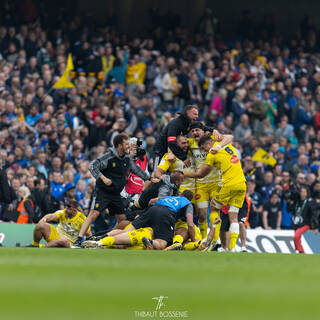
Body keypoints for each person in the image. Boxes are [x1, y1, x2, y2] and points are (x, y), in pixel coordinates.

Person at [72, 133, 151, 248]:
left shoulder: (127, 159)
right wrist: (103, 178)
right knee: (93, 214)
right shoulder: (108, 156)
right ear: (119, 146)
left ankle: (107, 239)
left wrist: (150, 178)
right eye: (126, 144)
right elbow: (92, 166)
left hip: (115, 194)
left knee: (122, 220)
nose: (129, 146)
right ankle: (78, 240)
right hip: (102, 192)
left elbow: (137, 170)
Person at [185, 135, 246, 252]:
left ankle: (215, 240)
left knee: (213, 208)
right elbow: (230, 136)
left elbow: (201, 174)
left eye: (203, 148)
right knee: (234, 217)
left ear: (208, 144)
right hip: (242, 183)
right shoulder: (227, 145)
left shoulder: (211, 154)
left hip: (228, 184)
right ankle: (232, 248)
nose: (204, 151)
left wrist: (184, 174)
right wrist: (218, 145)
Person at [83, 190, 195, 250]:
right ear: (189, 199)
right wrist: (194, 239)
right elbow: (190, 224)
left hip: (152, 210)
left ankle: (101, 238)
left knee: (125, 231)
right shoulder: (188, 203)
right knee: (162, 243)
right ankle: (150, 242)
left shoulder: (169, 197)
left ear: (180, 194)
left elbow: (151, 201)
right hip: (166, 214)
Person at [188, 121, 233, 239]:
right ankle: (203, 241)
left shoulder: (212, 138)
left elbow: (229, 137)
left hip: (215, 183)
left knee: (215, 212)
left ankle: (215, 240)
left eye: (197, 130)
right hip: (201, 185)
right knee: (202, 214)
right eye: (192, 131)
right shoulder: (190, 143)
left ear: (203, 131)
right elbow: (174, 145)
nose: (195, 133)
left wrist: (216, 136)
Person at [290, 185, 319, 253]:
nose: (302, 194)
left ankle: (299, 249)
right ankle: (302, 253)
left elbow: (313, 214)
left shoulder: (309, 202)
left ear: (307, 193)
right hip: (296, 223)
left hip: (306, 224)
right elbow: (290, 209)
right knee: (298, 241)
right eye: (301, 192)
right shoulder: (297, 201)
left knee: (296, 237)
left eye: (304, 192)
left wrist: (316, 227)